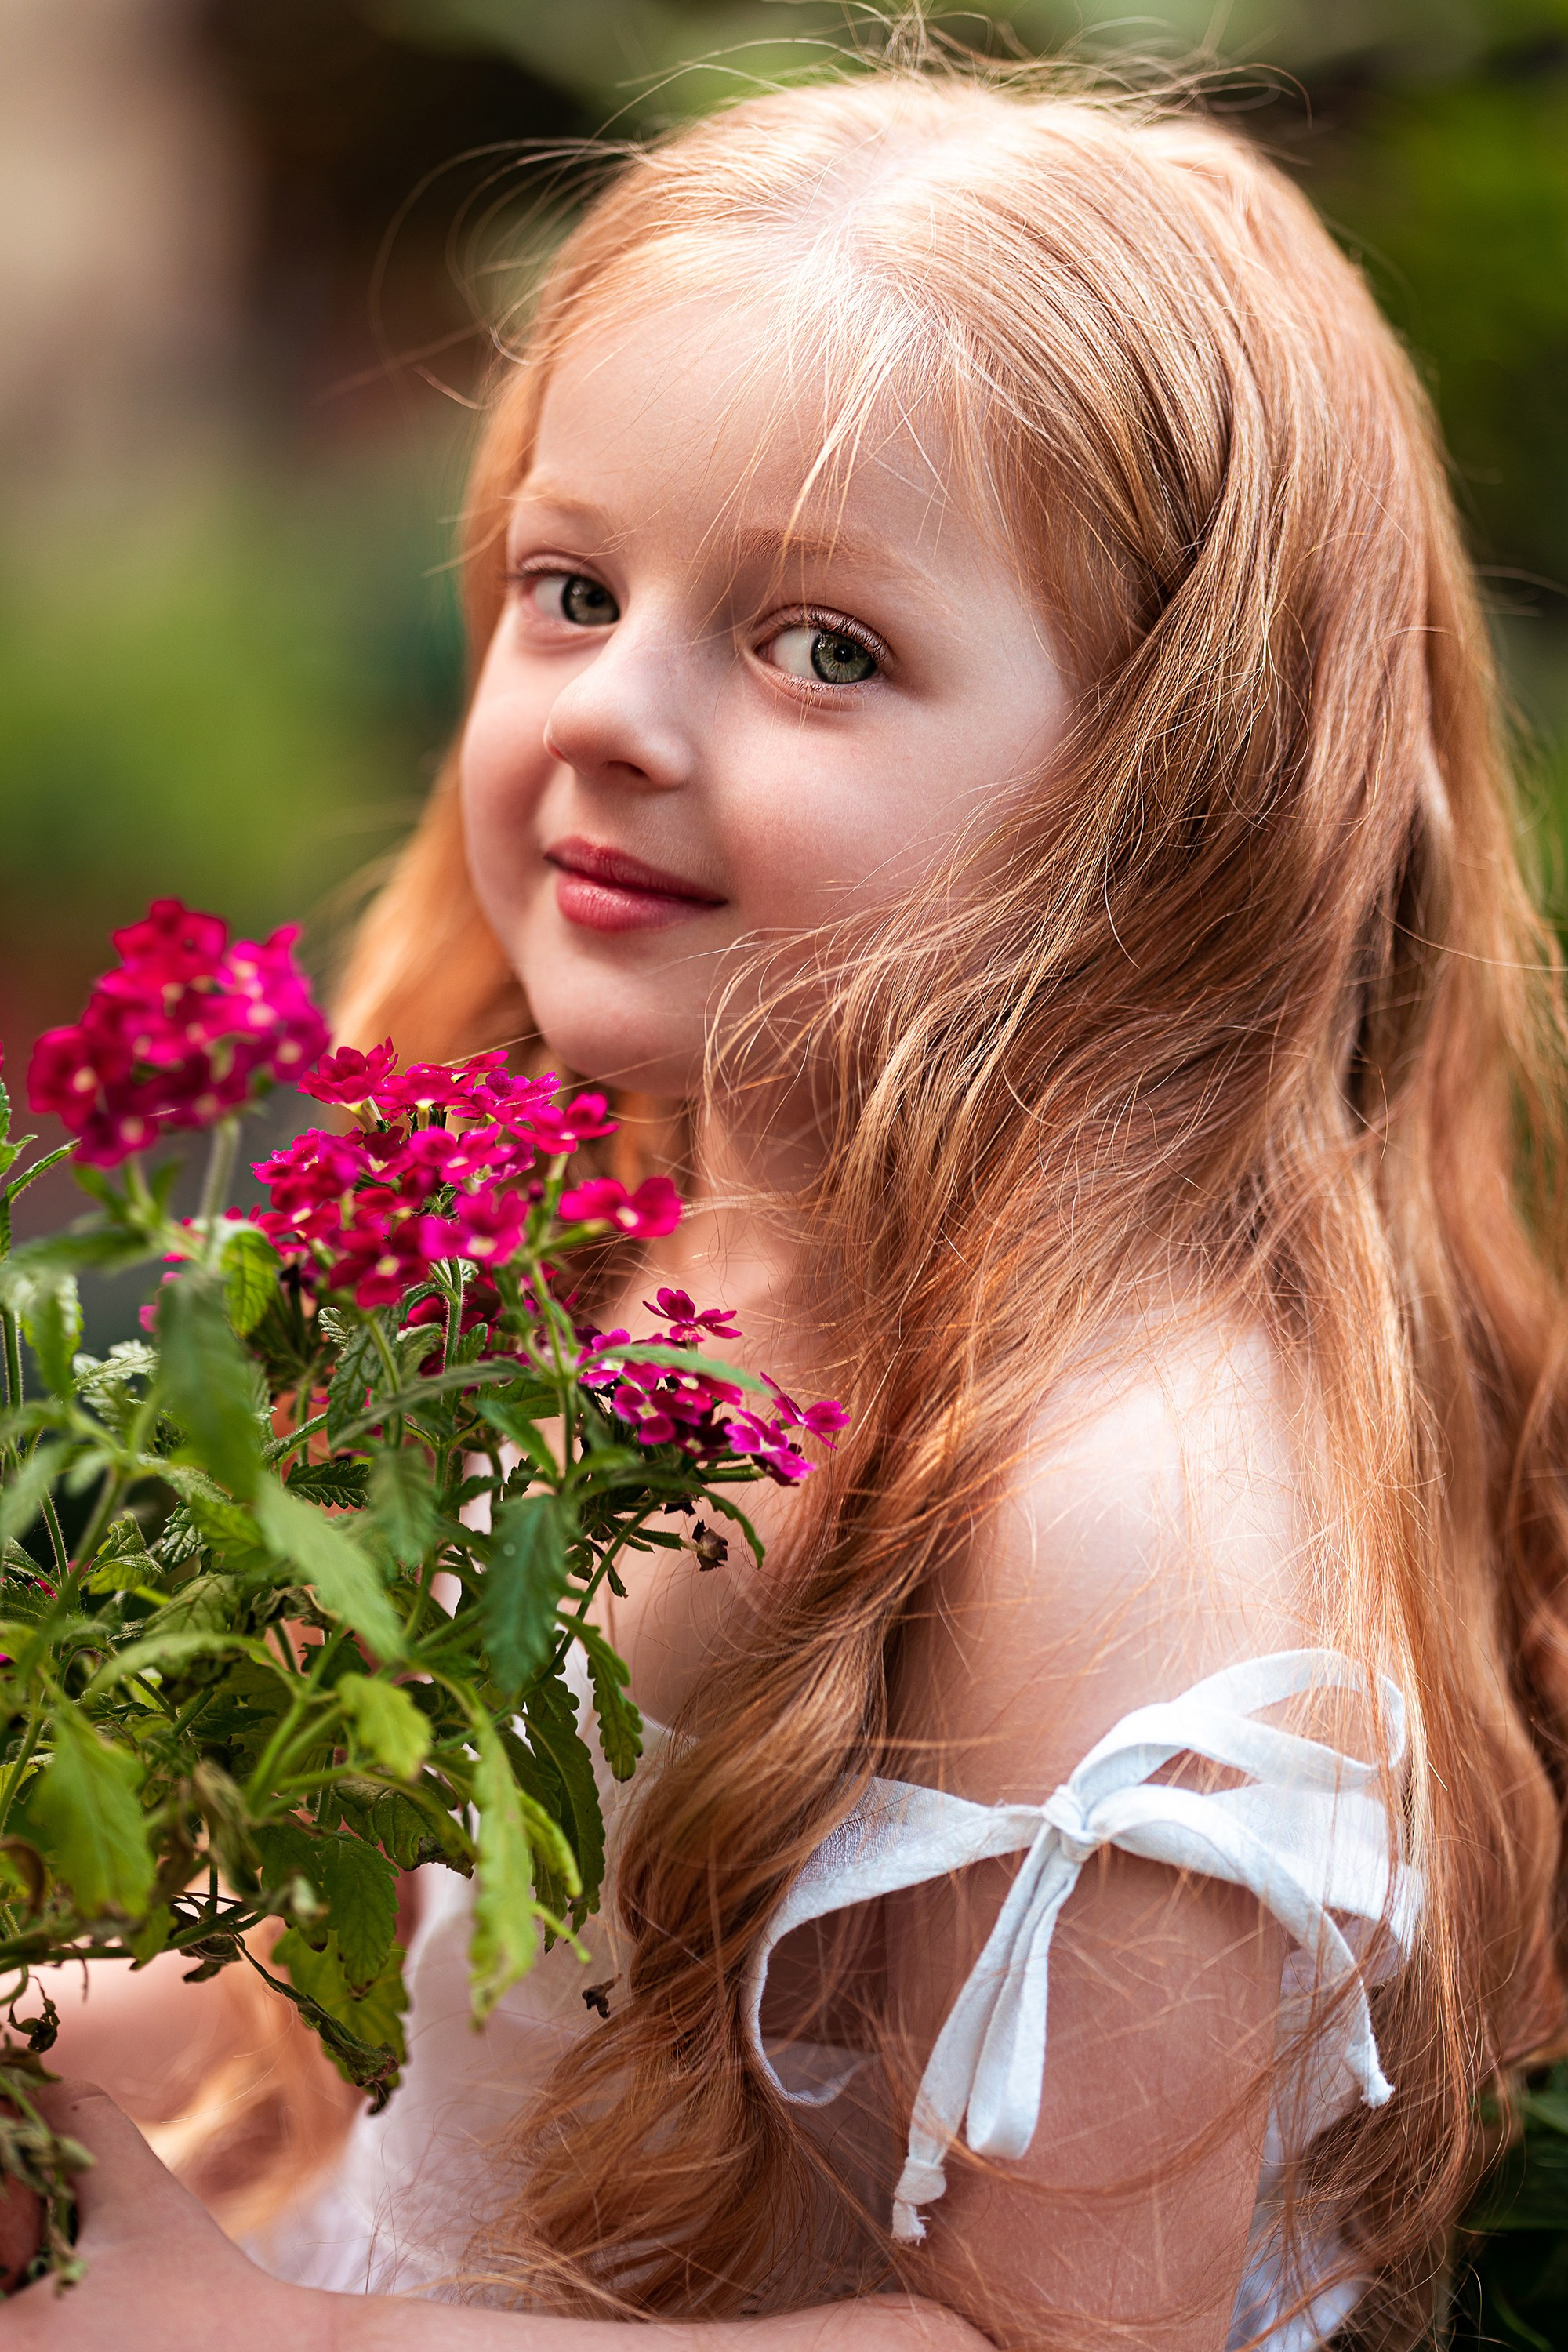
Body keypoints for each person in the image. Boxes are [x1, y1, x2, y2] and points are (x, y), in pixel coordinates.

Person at [13, 60, 1568, 2352]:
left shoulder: (1117, 1499)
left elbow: (1060, 2341)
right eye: (570, 588)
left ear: (1162, 804)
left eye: (824, 647)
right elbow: (433, 2008)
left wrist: (270, 2337)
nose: (612, 711)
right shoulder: (616, 1251)